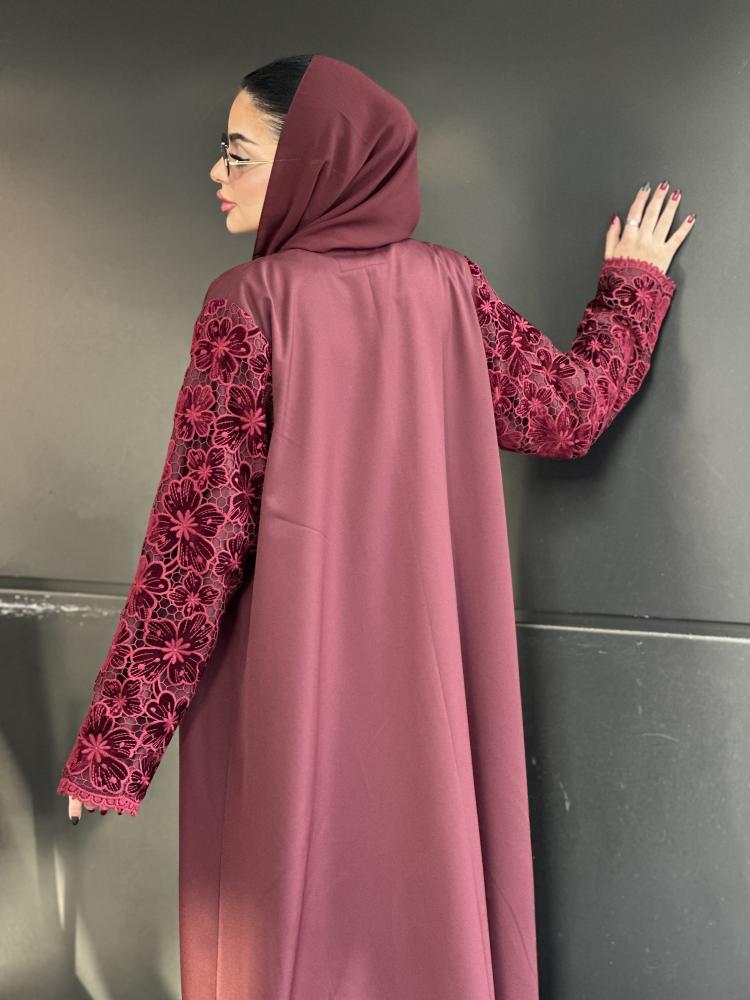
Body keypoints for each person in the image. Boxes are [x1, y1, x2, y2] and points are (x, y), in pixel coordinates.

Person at [56, 53, 692, 1000]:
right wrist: (631, 288)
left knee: (293, 925)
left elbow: (194, 547)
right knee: (422, 917)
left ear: (313, 158)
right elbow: (568, 412)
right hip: (429, 692)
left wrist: (115, 748)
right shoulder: (450, 287)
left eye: (239, 152)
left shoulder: (248, 305)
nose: (217, 173)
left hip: (294, 689)